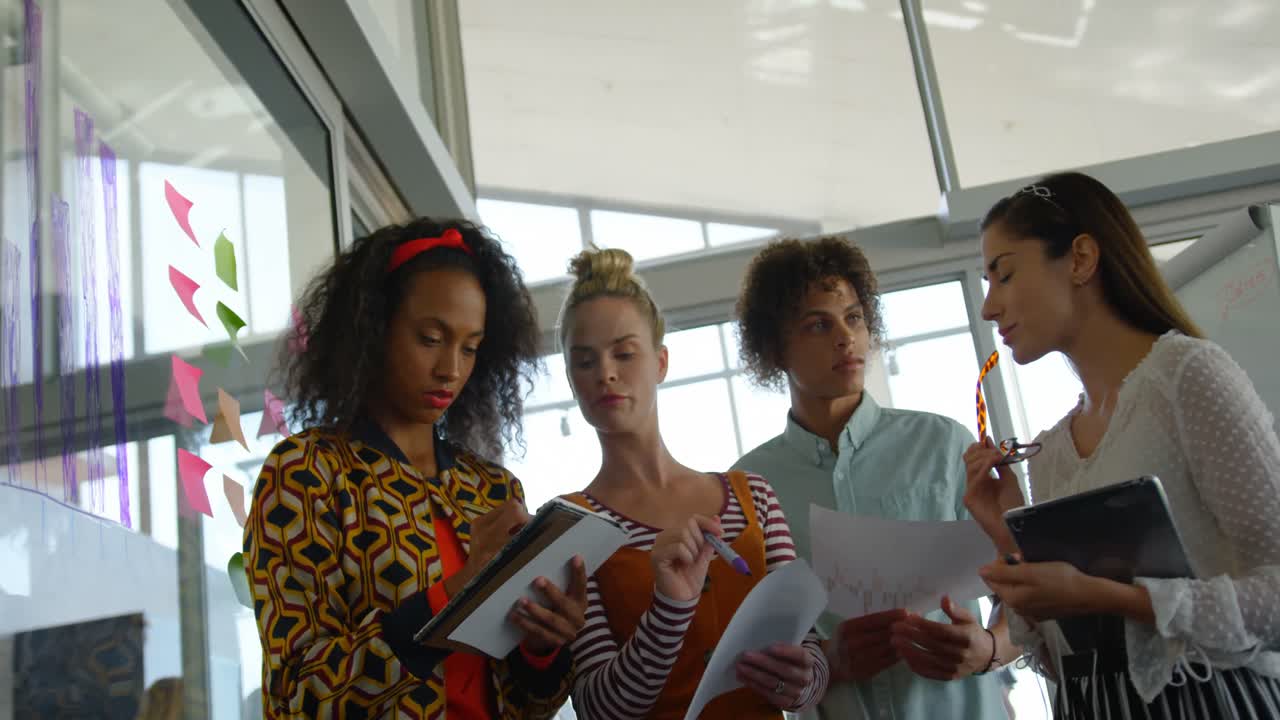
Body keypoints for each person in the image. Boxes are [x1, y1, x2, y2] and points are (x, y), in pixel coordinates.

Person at [964, 171, 1280, 717]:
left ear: (1081, 259)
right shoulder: (1051, 452)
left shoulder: (1187, 377)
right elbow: (1070, 664)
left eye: (1005, 274)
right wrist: (1008, 536)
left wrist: (1118, 598)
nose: (989, 307)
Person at [244, 219, 584, 719]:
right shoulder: (306, 474)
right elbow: (301, 695)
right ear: (375, 328)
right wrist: (453, 595)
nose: (451, 368)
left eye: (470, 347)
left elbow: (528, 703)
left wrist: (542, 649)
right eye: (430, 338)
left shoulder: (491, 489)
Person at [731, 236, 1014, 719]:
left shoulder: (945, 444)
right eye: (819, 324)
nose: (847, 338)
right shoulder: (747, 489)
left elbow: (1027, 591)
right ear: (775, 348)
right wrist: (829, 662)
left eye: (854, 317)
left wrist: (989, 648)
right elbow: (752, 656)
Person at [555, 247, 830, 719]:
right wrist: (669, 607)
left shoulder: (754, 496)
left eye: (624, 353)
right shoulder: (570, 525)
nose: (606, 373)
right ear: (570, 379)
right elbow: (598, 709)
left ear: (661, 362)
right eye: (584, 362)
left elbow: (809, 652)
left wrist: (805, 679)